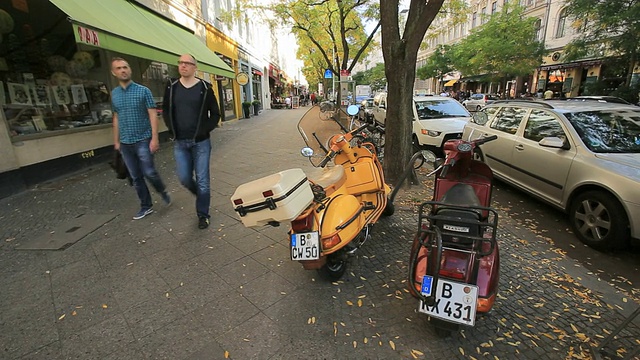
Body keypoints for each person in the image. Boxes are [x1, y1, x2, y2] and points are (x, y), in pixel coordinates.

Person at [162, 54, 221, 229]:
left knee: (202, 180)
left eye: (188, 63)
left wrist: (205, 130)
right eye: (181, 63)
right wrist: (171, 129)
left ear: (195, 67)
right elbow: (166, 110)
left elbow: (216, 114)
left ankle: (203, 214)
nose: (184, 66)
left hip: (201, 143)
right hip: (180, 142)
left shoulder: (205, 88)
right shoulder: (172, 87)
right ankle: (202, 195)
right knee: (185, 178)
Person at [111, 57, 171, 220]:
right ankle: (146, 206)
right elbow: (116, 117)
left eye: (125, 67)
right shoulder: (114, 94)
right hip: (125, 142)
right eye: (119, 68)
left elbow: (153, 115)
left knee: (149, 172)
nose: (123, 70)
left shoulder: (143, 91)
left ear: (129, 69)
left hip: (143, 139)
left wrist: (155, 138)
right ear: (114, 72)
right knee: (136, 177)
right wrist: (116, 141)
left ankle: (162, 191)